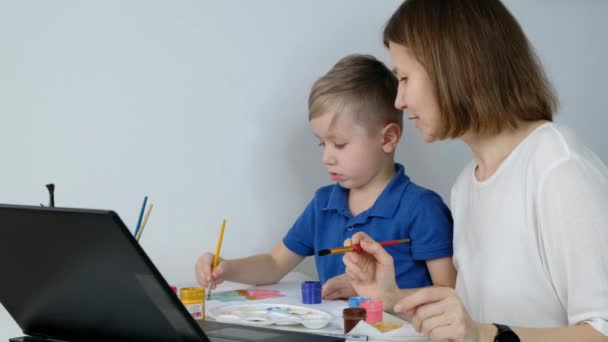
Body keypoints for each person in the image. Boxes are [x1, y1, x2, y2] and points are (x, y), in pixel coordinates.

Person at [341, 0, 608, 341]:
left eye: (405, 78)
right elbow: (469, 319)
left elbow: (601, 331)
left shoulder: (558, 168)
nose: (399, 101)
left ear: (455, 69)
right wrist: (392, 298)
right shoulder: (466, 184)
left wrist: (487, 335)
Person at [195, 54, 456, 298]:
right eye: (323, 144)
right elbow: (274, 264)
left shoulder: (422, 208)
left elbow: (448, 294)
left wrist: (370, 291)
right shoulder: (324, 204)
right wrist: (227, 269)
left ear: (387, 138)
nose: (326, 158)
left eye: (339, 144)